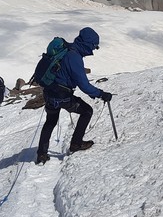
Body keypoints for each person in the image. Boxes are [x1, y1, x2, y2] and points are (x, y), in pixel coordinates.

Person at [36, 27, 113, 165]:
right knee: (87, 111)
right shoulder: (75, 58)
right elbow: (84, 85)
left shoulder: (68, 49)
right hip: (63, 97)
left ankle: (41, 154)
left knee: (50, 121)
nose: (94, 49)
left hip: (49, 93)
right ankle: (76, 144)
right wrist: (102, 94)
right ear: (87, 44)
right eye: (94, 46)